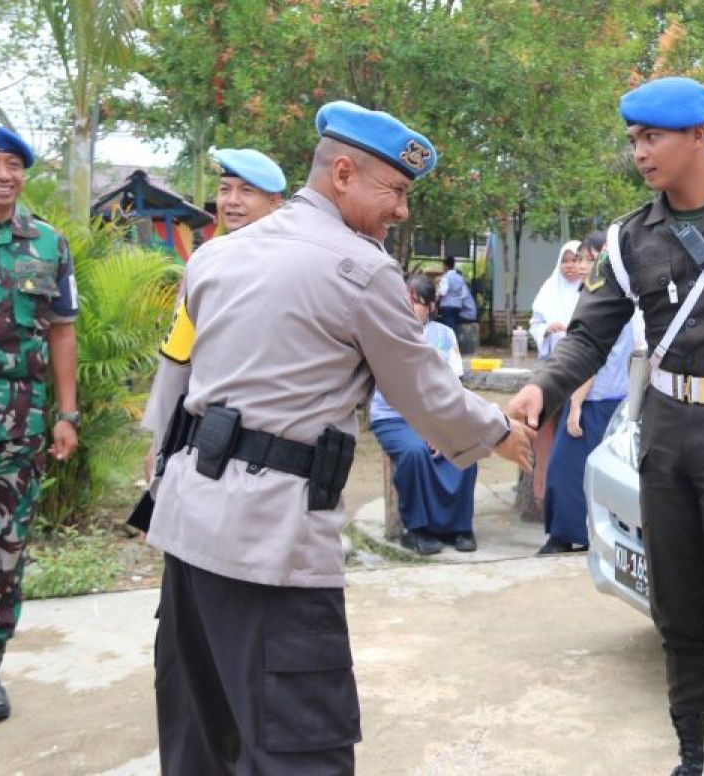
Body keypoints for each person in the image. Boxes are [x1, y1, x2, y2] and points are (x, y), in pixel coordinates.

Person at [144, 101, 534, 773]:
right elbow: (426, 392)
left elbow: (179, 379)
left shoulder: (218, 258)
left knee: (201, 740)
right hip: (270, 543)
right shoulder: (361, 270)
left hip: (186, 526)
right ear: (345, 174)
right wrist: (502, 431)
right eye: (398, 191)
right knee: (301, 748)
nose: (403, 211)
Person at [507, 76, 704, 776]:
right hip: (665, 438)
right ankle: (690, 754)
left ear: (699, 136)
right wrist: (541, 388)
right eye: (633, 141)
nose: (641, 153)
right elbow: (588, 338)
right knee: (676, 615)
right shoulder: (630, 238)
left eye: (652, 138)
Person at [0, 119, 80, 723]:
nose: (3, 175)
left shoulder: (49, 244)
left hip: (18, 430)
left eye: (13, 166)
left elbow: (62, 329)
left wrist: (67, 413)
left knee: (2, 551)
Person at [139, 148, 287, 481]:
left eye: (246, 191)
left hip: (278, 445)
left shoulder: (298, 267)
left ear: (275, 202)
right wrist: (159, 442)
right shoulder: (204, 264)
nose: (232, 201)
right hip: (210, 436)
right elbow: (177, 359)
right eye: (224, 190)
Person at [538, 239, 637, 555]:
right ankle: (582, 534)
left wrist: (576, 405)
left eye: (589, 259)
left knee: (565, 469)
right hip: (613, 398)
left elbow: (592, 358)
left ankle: (566, 536)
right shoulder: (614, 300)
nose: (582, 266)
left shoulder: (605, 303)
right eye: (579, 259)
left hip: (595, 399)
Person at [371, 274, 479, 556]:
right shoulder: (385, 334)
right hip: (393, 416)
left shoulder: (444, 335)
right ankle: (416, 529)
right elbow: (395, 390)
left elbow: (454, 384)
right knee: (416, 452)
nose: (409, 308)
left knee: (468, 445)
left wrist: (439, 426)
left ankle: (459, 527)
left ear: (431, 306)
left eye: (416, 302)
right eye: (404, 302)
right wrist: (425, 430)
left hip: (440, 414)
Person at [522, 240, 586, 520]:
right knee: (545, 430)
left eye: (576, 260)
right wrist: (547, 329)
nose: (571, 266)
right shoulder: (550, 289)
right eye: (566, 260)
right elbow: (534, 323)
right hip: (554, 369)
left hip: (584, 372)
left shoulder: (592, 290)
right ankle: (541, 495)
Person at [436, 254, 473, 331]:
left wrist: (436, 300)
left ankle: (450, 342)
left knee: (448, 328)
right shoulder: (460, 277)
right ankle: (454, 341)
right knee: (454, 326)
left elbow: (442, 292)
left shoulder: (446, 277)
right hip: (457, 306)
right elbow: (463, 294)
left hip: (447, 306)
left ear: (445, 265)